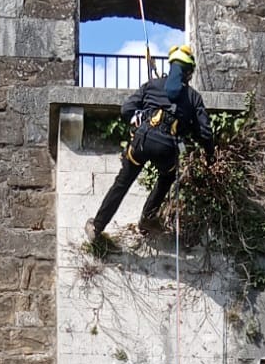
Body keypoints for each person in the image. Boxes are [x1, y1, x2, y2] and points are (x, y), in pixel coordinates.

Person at [85, 44, 214, 242]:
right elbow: (205, 132)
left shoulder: (152, 85)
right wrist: (209, 155)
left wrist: (137, 117)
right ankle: (147, 218)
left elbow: (126, 109)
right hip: (167, 148)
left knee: (122, 182)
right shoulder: (194, 98)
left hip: (141, 143)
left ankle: (97, 226)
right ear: (188, 73)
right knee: (167, 177)